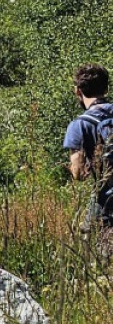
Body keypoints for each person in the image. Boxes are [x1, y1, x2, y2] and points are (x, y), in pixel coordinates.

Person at [64, 63, 113, 231]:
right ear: (106, 89)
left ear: (78, 91)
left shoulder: (79, 125)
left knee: (99, 250)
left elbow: (78, 173)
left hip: (107, 203)